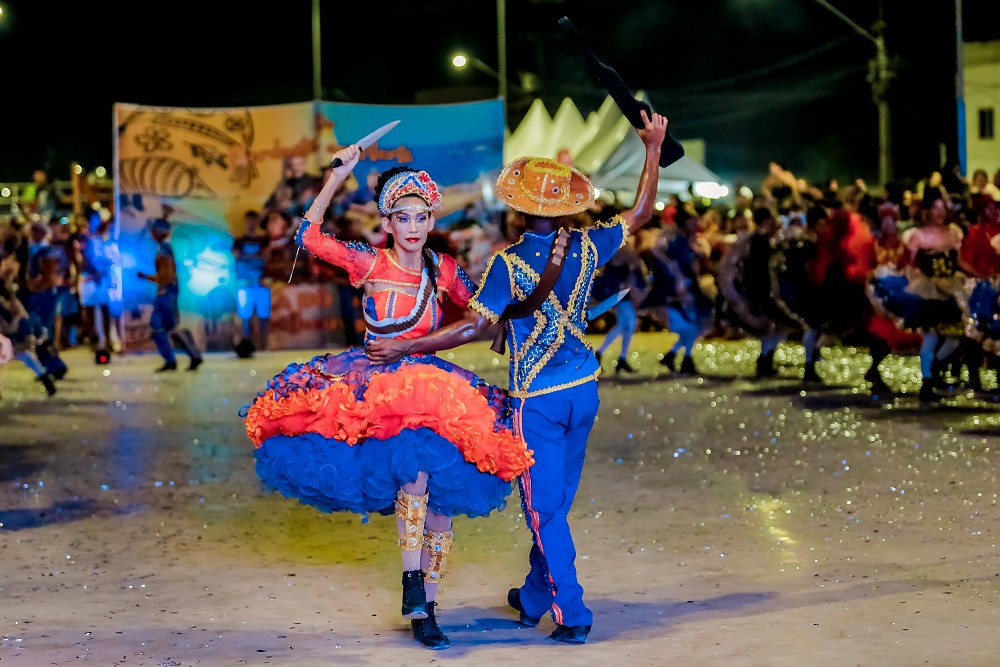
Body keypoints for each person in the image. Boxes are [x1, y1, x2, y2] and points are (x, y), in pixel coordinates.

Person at [366, 110, 669, 645]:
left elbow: (470, 331)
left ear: (517, 210)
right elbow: (643, 211)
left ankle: (570, 612)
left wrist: (405, 345)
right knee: (556, 499)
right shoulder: (586, 244)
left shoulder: (508, 264)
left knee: (544, 508)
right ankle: (532, 594)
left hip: (540, 401)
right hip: (585, 390)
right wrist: (652, 147)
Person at [241, 145, 533, 651]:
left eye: (422, 216)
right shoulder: (369, 262)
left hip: (436, 389)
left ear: (430, 218)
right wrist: (337, 177)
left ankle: (428, 608)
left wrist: (526, 307)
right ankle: (410, 580)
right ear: (389, 222)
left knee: (441, 502)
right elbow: (307, 237)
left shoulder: (442, 268)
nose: (414, 226)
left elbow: (482, 309)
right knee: (414, 475)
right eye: (404, 217)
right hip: (378, 387)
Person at [138, 218, 204, 372]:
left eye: (155, 230)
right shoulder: (164, 247)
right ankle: (172, 360)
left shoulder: (165, 248)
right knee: (159, 328)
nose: (152, 233)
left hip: (166, 293)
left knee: (171, 328)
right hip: (165, 293)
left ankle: (192, 356)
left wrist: (150, 279)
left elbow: (166, 275)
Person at [78, 208, 124, 357]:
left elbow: (110, 255)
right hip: (89, 277)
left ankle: (108, 340)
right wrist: (93, 271)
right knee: (89, 310)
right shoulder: (84, 237)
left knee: (105, 308)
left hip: (103, 277)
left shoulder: (104, 236)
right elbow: (83, 257)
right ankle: (93, 339)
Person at [231, 209, 271, 352]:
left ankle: (263, 345)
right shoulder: (239, 240)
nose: (251, 224)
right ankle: (248, 345)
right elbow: (236, 257)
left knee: (263, 316)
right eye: (249, 221)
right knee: (245, 316)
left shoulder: (264, 239)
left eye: (254, 221)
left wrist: (247, 258)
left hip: (261, 283)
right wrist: (256, 258)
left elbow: (266, 257)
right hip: (244, 283)